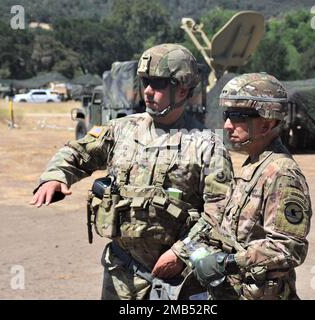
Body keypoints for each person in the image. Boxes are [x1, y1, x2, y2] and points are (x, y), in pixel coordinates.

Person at [29, 43, 233, 300]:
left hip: (178, 280)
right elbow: (76, 153)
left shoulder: (207, 145)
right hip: (121, 274)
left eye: (159, 84)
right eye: (145, 81)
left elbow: (222, 215)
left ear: (183, 88)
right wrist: (56, 176)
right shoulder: (121, 130)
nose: (148, 91)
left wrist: (182, 252)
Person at [174, 73, 312, 300]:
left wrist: (227, 262)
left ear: (267, 123)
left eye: (238, 116)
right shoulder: (254, 164)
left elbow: (288, 248)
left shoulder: (282, 173)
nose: (227, 125)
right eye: (227, 115)